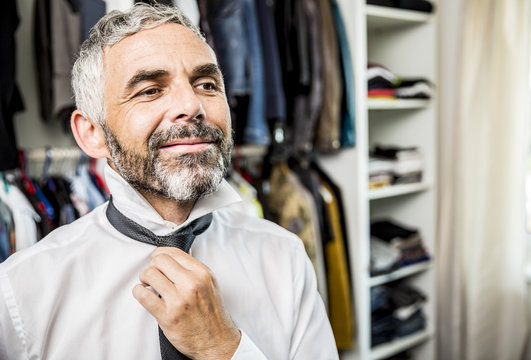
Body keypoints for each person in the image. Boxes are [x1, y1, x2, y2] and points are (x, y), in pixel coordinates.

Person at [0, 4, 339, 359]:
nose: (192, 105)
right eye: (149, 90)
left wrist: (223, 349)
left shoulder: (283, 257)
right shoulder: (23, 291)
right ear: (92, 134)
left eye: (207, 84)